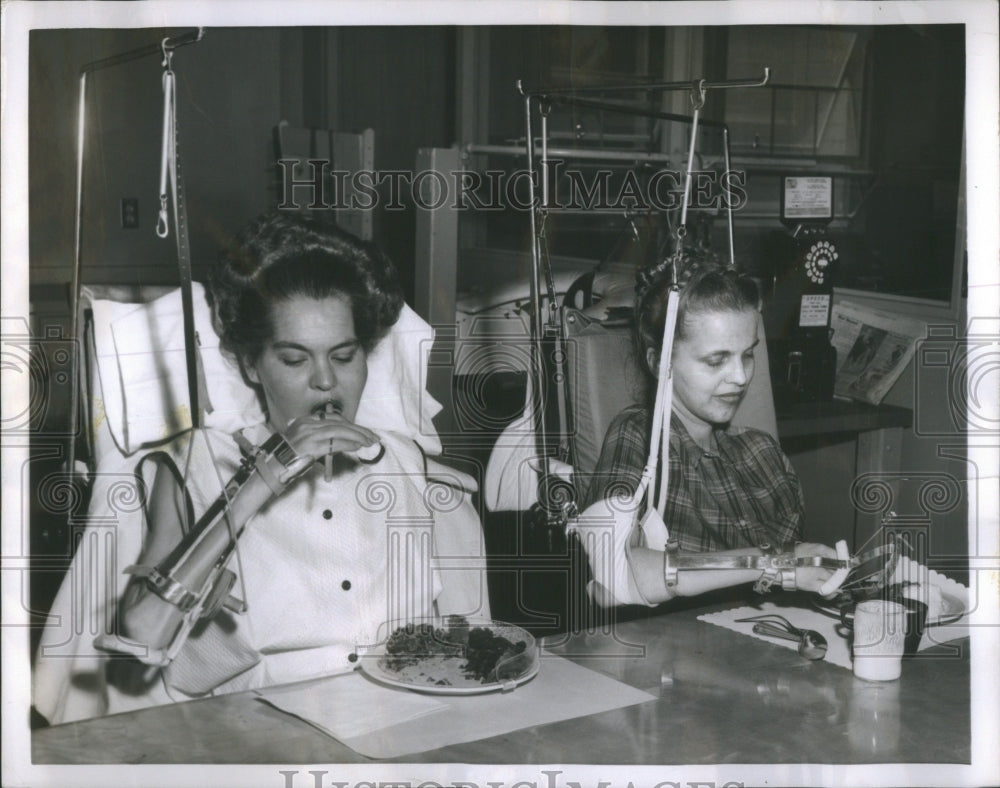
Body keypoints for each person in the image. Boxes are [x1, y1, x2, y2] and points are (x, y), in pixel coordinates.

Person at [33, 211, 481, 724]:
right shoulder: (197, 463)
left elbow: (470, 642)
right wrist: (256, 484)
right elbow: (141, 634)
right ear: (251, 365)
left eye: (344, 355)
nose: (325, 382)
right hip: (254, 728)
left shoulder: (410, 467)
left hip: (405, 717)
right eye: (294, 360)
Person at [577, 251, 839, 605]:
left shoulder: (763, 457)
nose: (741, 377)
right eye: (717, 360)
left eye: (748, 354)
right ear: (659, 363)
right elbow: (613, 577)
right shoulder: (639, 438)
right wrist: (771, 561)